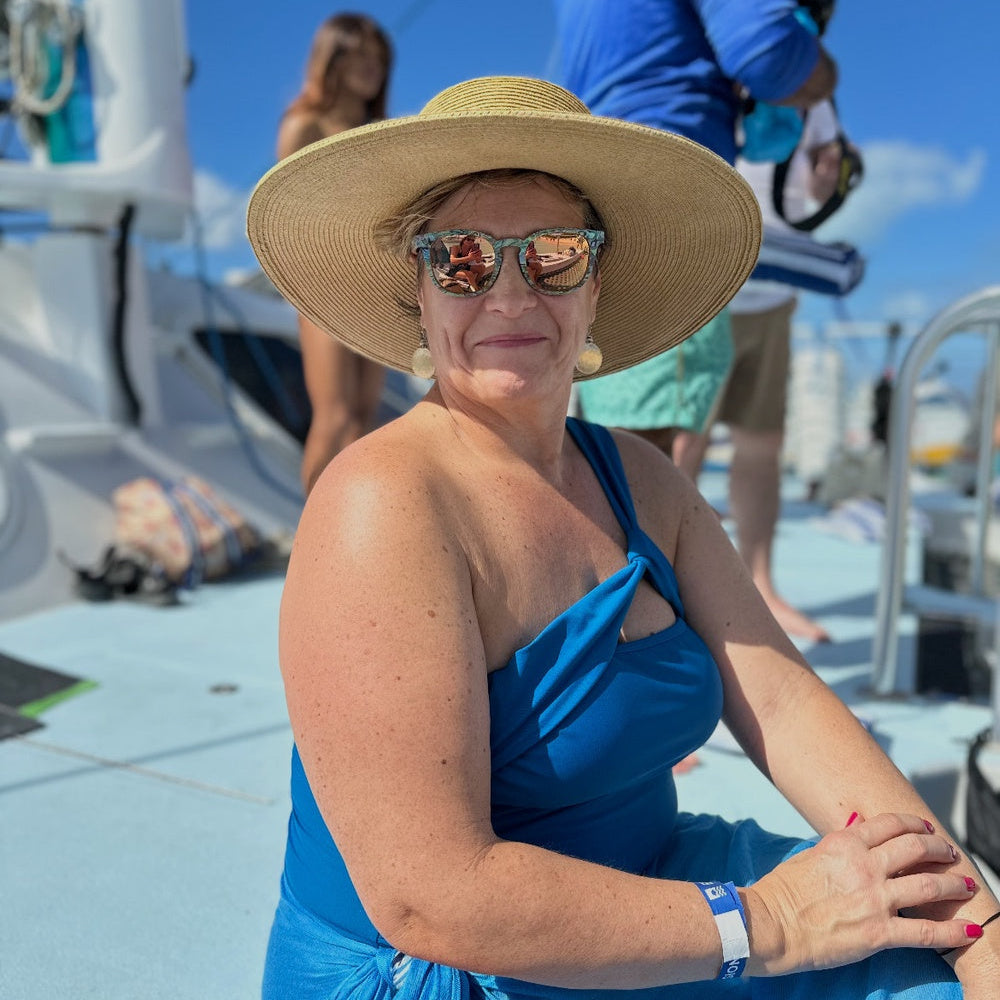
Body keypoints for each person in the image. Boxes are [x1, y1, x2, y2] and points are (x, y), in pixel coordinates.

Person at [247, 77, 1000, 1000]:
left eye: (554, 254)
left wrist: (971, 919)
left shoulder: (642, 483)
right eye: (463, 259)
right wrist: (775, 923)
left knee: (937, 970)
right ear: (420, 291)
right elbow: (430, 896)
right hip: (461, 963)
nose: (511, 290)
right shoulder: (380, 506)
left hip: (664, 894)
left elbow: (788, 701)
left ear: (596, 284)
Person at [552, 0, 837, 479]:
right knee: (648, 442)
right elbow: (767, 55)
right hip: (669, 195)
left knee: (611, 420)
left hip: (594, 189)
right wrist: (824, 72)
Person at [710, 99, 847, 644]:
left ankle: (761, 586)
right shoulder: (710, 77)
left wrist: (829, 172)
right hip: (708, 289)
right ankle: (670, 590)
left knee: (763, 445)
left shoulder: (814, 97)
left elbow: (819, 193)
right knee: (682, 445)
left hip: (776, 295)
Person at [276, 12, 393, 494]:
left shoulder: (380, 131)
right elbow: (283, 215)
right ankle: (308, 547)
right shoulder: (305, 124)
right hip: (321, 281)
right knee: (334, 416)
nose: (372, 67)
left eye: (379, 57)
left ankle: (347, 536)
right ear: (333, 59)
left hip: (374, 281)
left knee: (363, 419)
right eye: (359, 55)